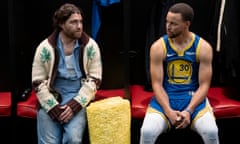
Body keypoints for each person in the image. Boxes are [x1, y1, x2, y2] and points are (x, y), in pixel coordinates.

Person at [140, 2, 219, 144]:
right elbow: (156, 84)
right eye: (167, 22)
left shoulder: (203, 47)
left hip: (193, 101)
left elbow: (204, 85)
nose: (168, 27)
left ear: (186, 24)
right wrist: (168, 111)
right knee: (147, 132)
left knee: (211, 132)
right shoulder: (158, 47)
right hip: (166, 100)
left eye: (173, 24)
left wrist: (189, 111)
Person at [31, 3, 102, 144]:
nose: (79, 26)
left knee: (73, 139)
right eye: (74, 22)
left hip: (78, 94)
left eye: (80, 21)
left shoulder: (90, 46)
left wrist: (75, 105)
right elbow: (37, 82)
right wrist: (53, 108)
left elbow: (95, 79)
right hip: (52, 94)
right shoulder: (45, 47)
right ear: (62, 24)